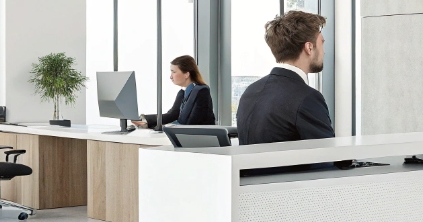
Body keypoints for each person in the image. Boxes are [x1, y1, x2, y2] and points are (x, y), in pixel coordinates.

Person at [236, 10, 334, 146]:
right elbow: (328, 154)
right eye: (322, 43)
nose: (324, 51)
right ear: (309, 48)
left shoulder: (251, 91)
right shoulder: (307, 97)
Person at [134, 55, 216, 128]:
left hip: (200, 141)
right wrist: (145, 120)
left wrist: (165, 127)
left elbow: (190, 123)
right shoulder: (182, 93)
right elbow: (172, 115)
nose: (171, 76)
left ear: (186, 74)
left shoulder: (201, 91)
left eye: (174, 72)